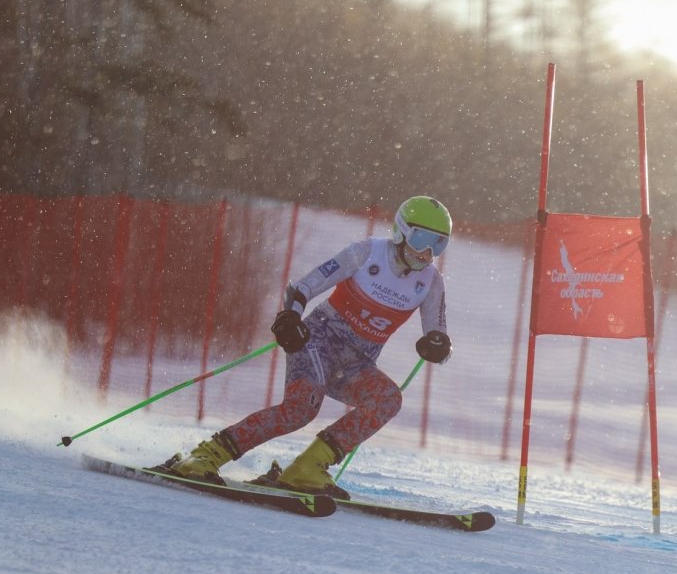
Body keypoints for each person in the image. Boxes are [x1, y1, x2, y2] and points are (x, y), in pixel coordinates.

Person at [155, 195, 454, 499]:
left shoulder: (430, 282)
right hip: (316, 340)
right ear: (401, 231)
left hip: (356, 363)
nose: (428, 252)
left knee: (387, 399)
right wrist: (290, 318)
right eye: (422, 239)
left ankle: (308, 468)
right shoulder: (367, 253)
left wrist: (438, 346)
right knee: (300, 408)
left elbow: (438, 334)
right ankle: (204, 456)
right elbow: (303, 288)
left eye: (439, 244)